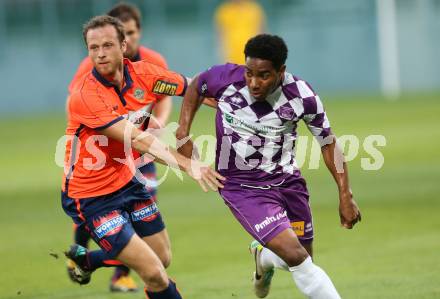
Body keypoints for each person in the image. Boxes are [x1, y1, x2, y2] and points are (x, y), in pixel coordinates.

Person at [176, 34, 361, 299]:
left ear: (281, 71)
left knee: (299, 257)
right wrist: (183, 130)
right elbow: (196, 86)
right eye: (249, 73)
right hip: (241, 186)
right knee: (297, 257)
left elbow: (328, 143)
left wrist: (346, 194)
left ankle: (262, 258)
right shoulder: (224, 79)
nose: (253, 82)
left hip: (287, 182)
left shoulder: (302, 96)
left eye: (263, 75)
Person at [62, 15, 224, 299]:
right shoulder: (85, 95)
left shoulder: (146, 76)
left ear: (124, 46)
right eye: (93, 47)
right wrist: (188, 164)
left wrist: (232, 106)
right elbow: (138, 139)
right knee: (154, 274)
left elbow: (194, 88)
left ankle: (89, 260)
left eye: (108, 45)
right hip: (93, 196)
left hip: (128, 181)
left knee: (162, 258)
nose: (100, 54)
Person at [66, 3, 173, 292]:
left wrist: (158, 123)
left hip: (139, 151)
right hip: (102, 157)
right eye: (95, 46)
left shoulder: (151, 63)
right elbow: (77, 102)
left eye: (133, 33)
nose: (132, 39)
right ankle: (98, 262)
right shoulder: (92, 68)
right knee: (103, 214)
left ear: (132, 36)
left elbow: (166, 93)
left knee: (157, 249)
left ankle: (91, 260)